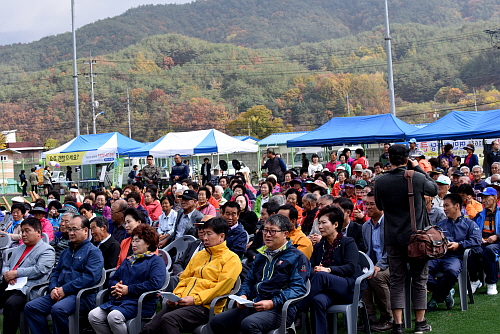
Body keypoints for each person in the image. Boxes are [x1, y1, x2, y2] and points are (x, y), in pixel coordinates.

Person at [374, 144, 438, 334]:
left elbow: (379, 205)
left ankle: (398, 324)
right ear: (407, 157)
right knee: (419, 280)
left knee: (396, 281)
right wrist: (416, 167)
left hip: (393, 238)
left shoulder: (380, 181)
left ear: (389, 158)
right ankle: (420, 323)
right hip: (416, 238)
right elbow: (434, 189)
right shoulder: (416, 177)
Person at [140, 217, 242, 334]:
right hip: (183, 301)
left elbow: (221, 288)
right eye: (204, 234)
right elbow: (184, 279)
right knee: (149, 328)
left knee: (169, 320)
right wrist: (176, 297)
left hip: (206, 307)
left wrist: (195, 299)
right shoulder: (199, 255)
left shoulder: (232, 259)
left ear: (222, 236)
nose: (205, 238)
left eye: (209, 234)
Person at [209, 214, 309, 334]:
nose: (267, 235)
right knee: (217, 321)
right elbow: (249, 280)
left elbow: (298, 288)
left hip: (280, 309)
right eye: (265, 230)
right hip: (255, 303)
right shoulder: (261, 255)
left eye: (272, 231)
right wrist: (243, 295)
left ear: (285, 234)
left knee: (249, 324)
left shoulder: (296, 257)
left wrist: (273, 302)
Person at [25, 215, 104, 334]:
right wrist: (53, 289)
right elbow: (56, 272)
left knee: (58, 309)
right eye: (69, 229)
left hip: (82, 296)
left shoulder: (94, 252)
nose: (71, 233)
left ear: (85, 230)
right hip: (60, 292)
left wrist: (65, 290)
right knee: (31, 307)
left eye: (75, 229)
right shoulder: (65, 252)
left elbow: (90, 278)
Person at [295, 206, 362, 334]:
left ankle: (295, 309)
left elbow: (350, 267)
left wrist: (328, 270)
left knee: (321, 276)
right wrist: (315, 269)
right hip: (326, 291)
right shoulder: (320, 245)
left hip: (348, 288)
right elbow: (311, 266)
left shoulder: (348, 242)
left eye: (324, 223)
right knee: (317, 300)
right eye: (319, 223)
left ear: (335, 224)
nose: (320, 226)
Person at [88, 224, 166, 334]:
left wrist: (128, 289)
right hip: (119, 301)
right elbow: (113, 278)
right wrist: (116, 288)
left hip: (141, 303)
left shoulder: (156, 261)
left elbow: (155, 284)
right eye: (133, 241)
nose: (133, 244)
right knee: (93, 315)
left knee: (114, 317)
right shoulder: (129, 260)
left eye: (137, 241)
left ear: (148, 243)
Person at [426, 194, 481, 311]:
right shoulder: (440, 225)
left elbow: (476, 241)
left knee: (451, 272)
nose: (444, 209)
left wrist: (459, 245)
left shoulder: (469, 224)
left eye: (447, 206)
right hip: (437, 257)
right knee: (421, 270)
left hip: (455, 258)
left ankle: (436, 298)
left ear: (457, 206)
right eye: (443, 206)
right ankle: (445, 293)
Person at [0, 217, 55, 334]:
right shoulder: (17, 249)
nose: (23, 234)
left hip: (28, 288)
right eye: (22, 231)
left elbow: (40, 270)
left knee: (11, 304)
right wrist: (7, 274)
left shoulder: (47, 250)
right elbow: (7, 265)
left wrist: (16, 273)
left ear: (38, 232)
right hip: (9, 284)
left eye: (27, 231)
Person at [361, 192, 393, 332]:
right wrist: (366, 266)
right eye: (366, 204)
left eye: (371, 204)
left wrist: (378, 266)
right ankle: (369, 316)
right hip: (373, 264)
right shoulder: (366, 226)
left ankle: (389, 318)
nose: (367, 207)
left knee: (377, 277)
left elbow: (392, 251)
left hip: (392, 264)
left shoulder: (390, 223)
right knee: (360, 276)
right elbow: (367, 250)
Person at [471, 187, 500, 295]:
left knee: (489, 250)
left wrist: (497, 236)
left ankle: (491, 283)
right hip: (483, 243)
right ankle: (474, 280)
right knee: (470, 251)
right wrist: (479, 237)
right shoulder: (480, 215)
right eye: (482, 197)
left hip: (498, 243)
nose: (483, 200)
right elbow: (473, 229)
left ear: (495, 198)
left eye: (486, 197)